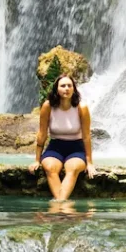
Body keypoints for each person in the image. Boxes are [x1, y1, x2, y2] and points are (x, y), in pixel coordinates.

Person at [30, 74, 95, 202]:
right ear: (57, 89)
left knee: (73, 168)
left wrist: (90, 163)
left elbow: (86, 136)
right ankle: (63, 205)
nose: (66, 88)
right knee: (49, 167)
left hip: (76, 148)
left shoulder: (81, 107)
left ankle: (59, 204)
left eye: (69, 86)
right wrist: (37, 160)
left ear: (74, 89)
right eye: (63, 86)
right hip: (55, 147)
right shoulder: (48, 106)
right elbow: (42, 134)